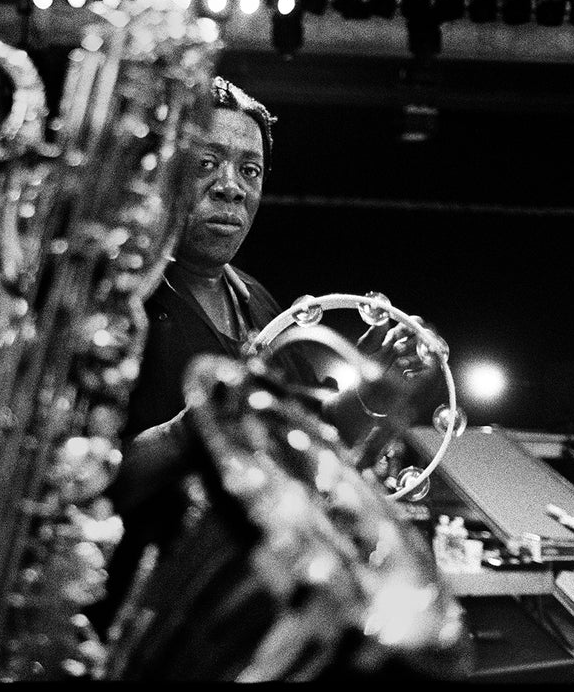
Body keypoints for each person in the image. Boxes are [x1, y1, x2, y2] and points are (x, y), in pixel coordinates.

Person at [86, 76, 437, 641]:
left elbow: (303, 453)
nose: (230, 187)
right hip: (137, 614)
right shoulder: (119, 298)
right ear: (163, 173)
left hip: (236, 614)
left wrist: (369, 397)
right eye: (206, 164)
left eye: (250, 170)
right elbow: (81, 481)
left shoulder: (258, 301)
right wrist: (193, 430)